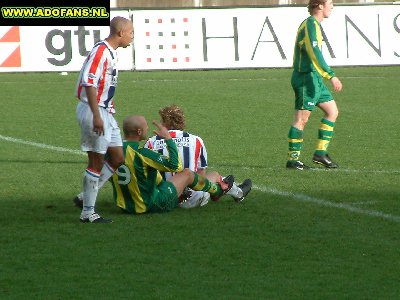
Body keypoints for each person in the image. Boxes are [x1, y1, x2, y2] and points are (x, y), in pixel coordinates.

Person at [73, 16, 134, 223]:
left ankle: (85, 197)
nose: (132, 37)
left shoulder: (110, 52)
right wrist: (97, 115)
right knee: (96, 161)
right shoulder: (101, 52)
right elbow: (88, 82)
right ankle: (88, 213)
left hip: (105, 112)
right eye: (131, 33)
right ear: (120, 33)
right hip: (95, 112)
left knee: (117, 158)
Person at [110, 115, 235, 214]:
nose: (147, 129)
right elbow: (176, 166)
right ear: (138, 131)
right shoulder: (142, 153)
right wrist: (168, 140)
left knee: (155, 178)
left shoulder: (111, 152)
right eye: (146, 126)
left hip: (125, 207)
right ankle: (217, 190)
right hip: (152, 205)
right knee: (187, 173)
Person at [144, 104, 252, 208]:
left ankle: (232, 190)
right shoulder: (195, 140)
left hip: (161, 197)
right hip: (192, 200)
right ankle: (237, 192)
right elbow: (201, 176)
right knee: (214, 175)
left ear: (164, 123)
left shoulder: (151, 142)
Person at [286, 0, 343, 170]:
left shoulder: (316, 25)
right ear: (319, 6)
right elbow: (314, 52)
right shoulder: (310, 24)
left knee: (332, 111)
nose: (332, 6)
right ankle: (292, 159)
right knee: (301, 119)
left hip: (315, 79)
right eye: (330, 3)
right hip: (306, 79)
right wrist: (331, 75)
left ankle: (320, 154)